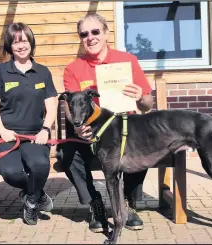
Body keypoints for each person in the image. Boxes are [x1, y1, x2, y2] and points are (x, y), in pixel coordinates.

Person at [58, 13, 153, 233]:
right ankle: (95, 204)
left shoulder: (127, 60)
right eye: (84, 34)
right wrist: (78, 127)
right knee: (66, 153)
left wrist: (141, 96)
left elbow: (147, 105)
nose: (90, 37)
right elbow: (70, 109)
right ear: (80, 38)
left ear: (106, 33)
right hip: (91, 133)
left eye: (95, 32)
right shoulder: (73, 69)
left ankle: (126, 202)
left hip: (123, 132)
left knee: (143, 143)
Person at [0, 22, 58, 225]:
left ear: (31, 42)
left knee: (40, 165)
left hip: (35, 134)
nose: (21, 46)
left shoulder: (43, 72)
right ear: (10, 46)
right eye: (15, 42)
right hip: (6, 134)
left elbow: (51, 105)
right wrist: (2, 130)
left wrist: (45, 129)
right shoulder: (1, 71)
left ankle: (31, 202)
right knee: (11, 172)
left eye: (24, 41)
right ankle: (36, 194)